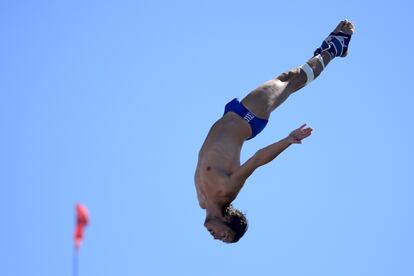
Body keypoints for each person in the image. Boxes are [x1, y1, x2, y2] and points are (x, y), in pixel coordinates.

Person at [194, 20, 355, 243]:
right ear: (229, 220)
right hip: (248, 117)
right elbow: (257, 160)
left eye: (222, 238)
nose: (217, 237)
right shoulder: (227, 192)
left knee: (292, 78)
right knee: (291, 79)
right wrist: (287, 140)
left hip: (231, 115)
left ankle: (327, 52)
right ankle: (335, 48)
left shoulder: (202, 201)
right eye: (225, 236)